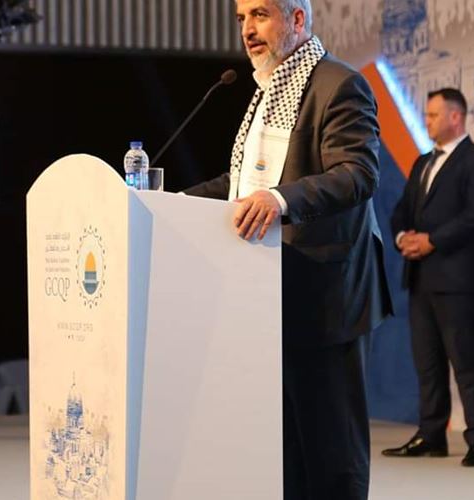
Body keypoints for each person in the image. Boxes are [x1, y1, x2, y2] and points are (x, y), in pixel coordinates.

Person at [183, 0, 392, 497]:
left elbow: (357, 173)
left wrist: (280, 200)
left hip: (327, 296)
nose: (247, 30)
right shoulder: (266, 90)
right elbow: (242, 185)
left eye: (259, 15)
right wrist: (165, 200)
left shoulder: (338, 84)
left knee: (332, 454)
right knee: (286, 454)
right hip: (269, 295)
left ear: (297, 20)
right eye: (241, 19)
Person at [382, 88, 474, 467]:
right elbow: (402, 211)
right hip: (420, 278)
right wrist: (403, 237)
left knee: (465, 361)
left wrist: (431, 240)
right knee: (427, 363)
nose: (427, 121)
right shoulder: (422, 163)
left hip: (457, 281)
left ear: (455, 117)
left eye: (433, 115)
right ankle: (431, 435)